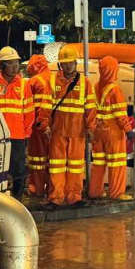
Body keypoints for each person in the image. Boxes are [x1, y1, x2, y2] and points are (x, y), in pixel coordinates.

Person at [43, 46, 96, 206]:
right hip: (57, 132)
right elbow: (46, 106)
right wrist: (45, 125)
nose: (67, 66)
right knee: (56, 166)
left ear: (75, 63)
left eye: (70, 63)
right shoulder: (52, 81)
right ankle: (56, 197)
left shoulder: (85, 83)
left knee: (75, 167)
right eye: (64, 63)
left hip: (77, 132)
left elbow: (91, 108)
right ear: (60, 64)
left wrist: (91, 128)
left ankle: (74, 197)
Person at [0, 46, 34, 197]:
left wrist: (27, 133)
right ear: (1, 65)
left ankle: (17, 199)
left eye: (16, 63)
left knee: (19, 170)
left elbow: (28, 110)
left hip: (17, 135)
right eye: (10, 63)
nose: (15, 67)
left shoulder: (23, 84)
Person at [90, 56, 135, 202]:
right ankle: (116, 193)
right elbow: (120, 114)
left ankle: (95, 191)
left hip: (98, 132)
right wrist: (128, 130)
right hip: (113, 133)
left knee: (98, 164)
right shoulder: (115, 90)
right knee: (116, 164)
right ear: (114, 71)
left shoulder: (95, 86)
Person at [25, 54, 54, 198]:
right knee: (53, 159)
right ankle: (52, 189)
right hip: (53, 125)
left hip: (37, 126)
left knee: (37, 159)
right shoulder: (54, 78)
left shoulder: (33, 81)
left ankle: (36, 189)